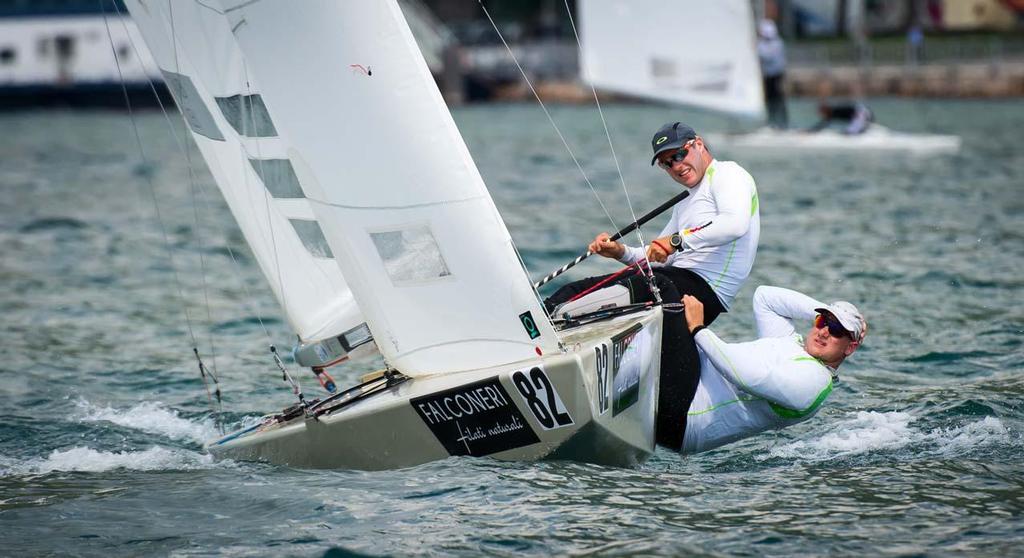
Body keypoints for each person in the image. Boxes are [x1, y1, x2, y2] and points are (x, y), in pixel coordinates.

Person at [544, 121, 760, 451]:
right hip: (671, 280)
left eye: (680, 154)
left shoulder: (728, 175)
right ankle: (546, 338)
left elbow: (735, 224)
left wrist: (675, 241)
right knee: (583, 288)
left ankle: (548, 331)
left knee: (644, 285)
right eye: (666, 162)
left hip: (701, 291)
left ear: (698, 144)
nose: (676, 165)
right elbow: (656, 256)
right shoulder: (686, 202)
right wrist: (619, 252)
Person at [676, 286, 866, 454]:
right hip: (688, 379)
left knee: (667, 293)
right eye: (823, 321)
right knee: (666, 289)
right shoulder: (791, 341)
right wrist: (830, 313)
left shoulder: (814, 384)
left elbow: (746, 377)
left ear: (850, 348)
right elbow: (765, 297)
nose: (824, 331)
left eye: (836, 329)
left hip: (686, 418)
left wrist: (698, 328)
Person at [757, 19, 788, 129]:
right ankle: (771, 122)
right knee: (769, 100)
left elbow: (768, 57)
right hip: (767, 77)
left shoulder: (777, 43)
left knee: (778, 99)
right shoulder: (763, 43)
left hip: (776, 76)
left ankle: (782, 123)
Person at [808, 100, 874, 135]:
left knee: (850, 133)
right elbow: (823, 124)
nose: (821, 115)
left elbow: (854, 108)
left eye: (821, 113)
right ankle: (862, 131)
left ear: (825, 110)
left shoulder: (837, 110)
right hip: (861, 114)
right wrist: (810, 130)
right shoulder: (832, 114)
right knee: (848, 132)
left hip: (863, 112)